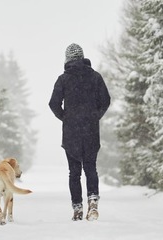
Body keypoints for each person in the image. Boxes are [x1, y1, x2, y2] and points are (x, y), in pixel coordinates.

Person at [49, 43, 110, 221]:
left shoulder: (63, 79)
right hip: (91, 130)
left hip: (71, 132)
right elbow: (105, 100)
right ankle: (93, 201)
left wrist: (66, 118)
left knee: (74, 172)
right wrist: (94, 116)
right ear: (83, 58)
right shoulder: (95, 77)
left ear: (67, 59)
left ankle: (77, 208)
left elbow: (53, 104)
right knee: (91, 168)